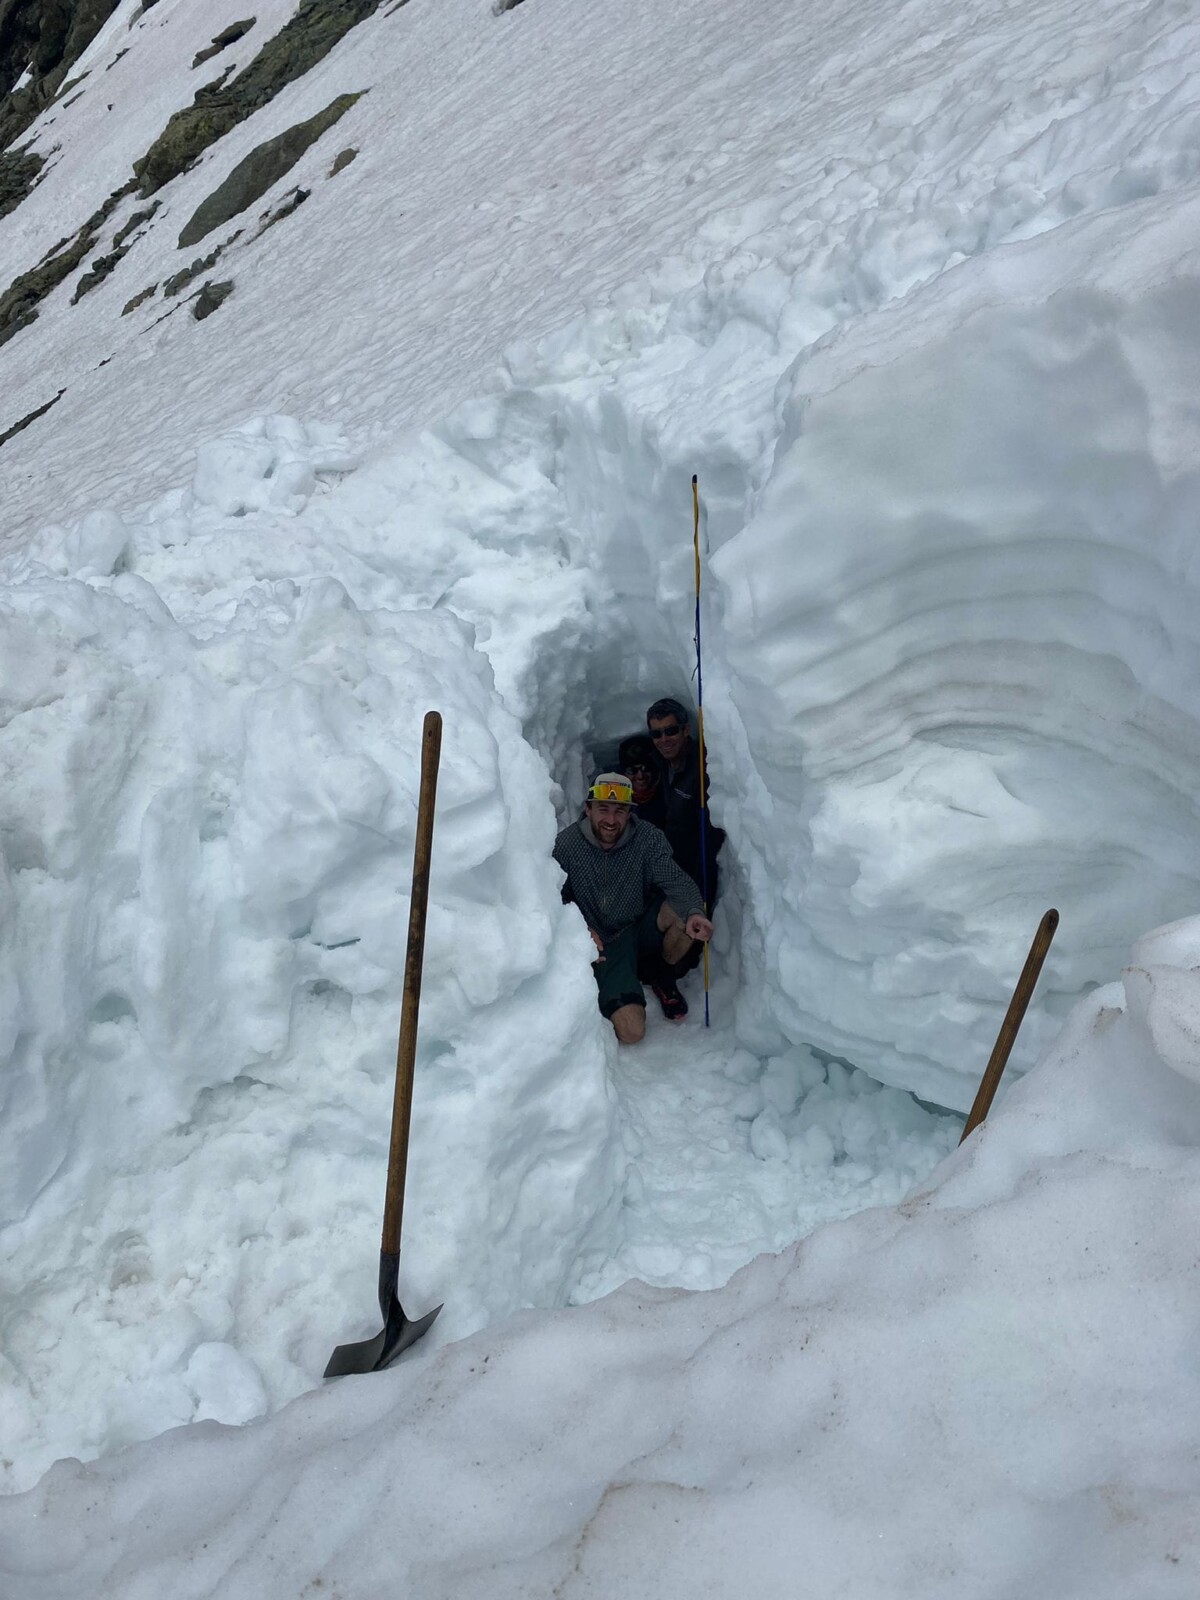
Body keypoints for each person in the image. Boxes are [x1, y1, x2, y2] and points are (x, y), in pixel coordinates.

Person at [553, 772, 714, 1042]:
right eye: (603, 809)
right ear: (588, 808)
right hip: (605, 945)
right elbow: (553, 896)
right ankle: (625, 981)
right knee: (632, 1031)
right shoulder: (567, 845)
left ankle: (662, 974)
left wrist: (695, 912)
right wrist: (580, 930)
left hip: (637, 928)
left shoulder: (647, 839)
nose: (612, 820)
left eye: (620, 811)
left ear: (630, 812)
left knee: (680, 911)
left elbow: (676, 880)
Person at [645, 696, 725, 912]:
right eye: (656, 734)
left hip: (694, 865)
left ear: (686, 730)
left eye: (670, 731)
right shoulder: (657, 763)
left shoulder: (702, 766)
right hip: (668, 863)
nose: (664, 739)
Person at [617, 734, 668, 829]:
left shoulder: (669, 790)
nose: (640, 776)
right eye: (632, 770)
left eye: (646, 768)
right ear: (624, 773)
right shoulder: (613, 796)